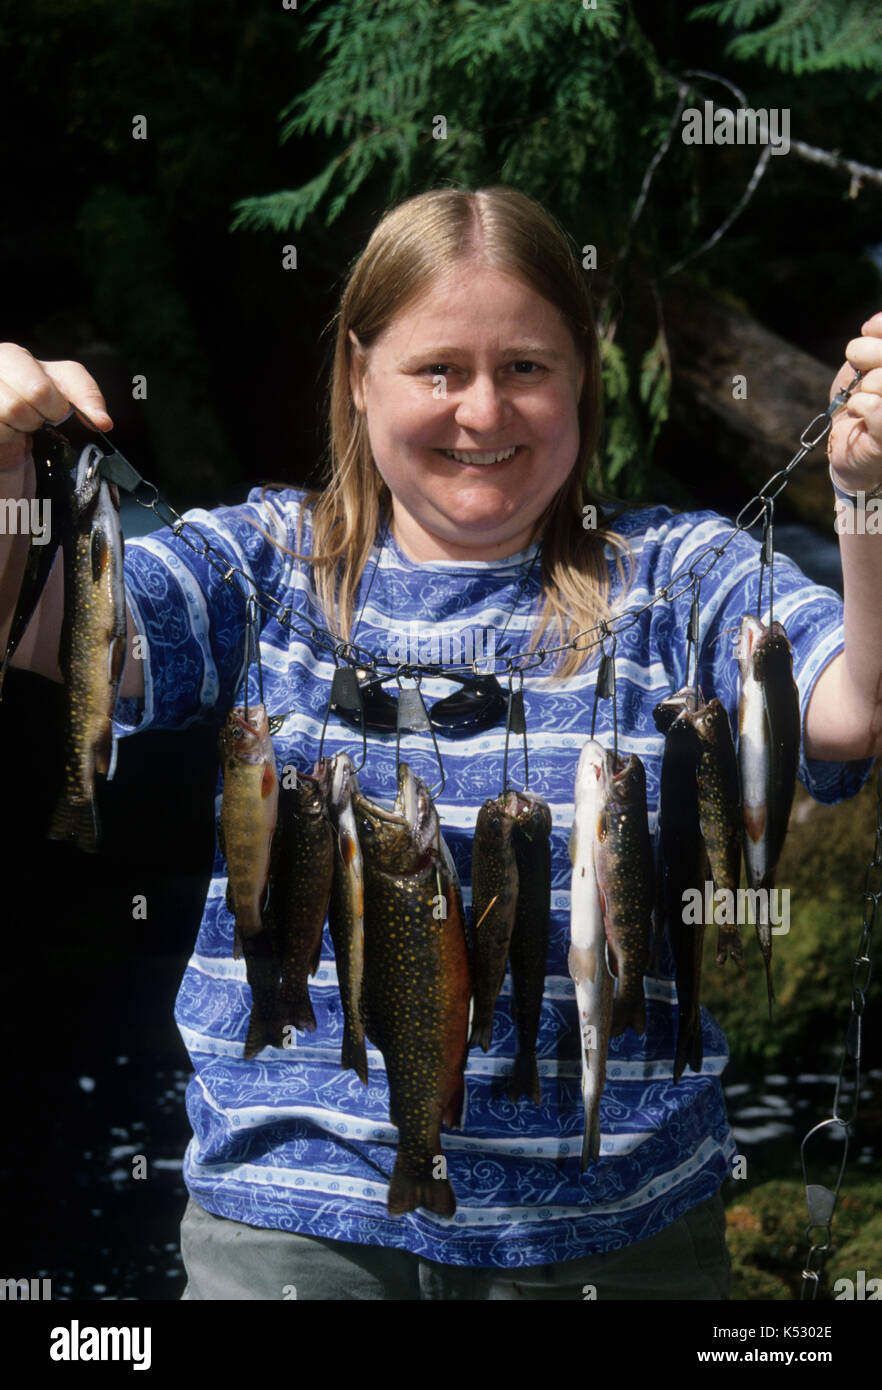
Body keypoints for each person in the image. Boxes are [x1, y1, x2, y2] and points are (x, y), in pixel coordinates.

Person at [1, 186, 880, 1302]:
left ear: (582, 381)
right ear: (359, 373)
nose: (483, 411)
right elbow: (49, 640)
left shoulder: (679, 574)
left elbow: (852, 705)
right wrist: (6, 479)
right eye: (437, 370)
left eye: (526, 367)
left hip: (622, 1234)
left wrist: (864, 496)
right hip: (292, 1229)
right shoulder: (265, 561)